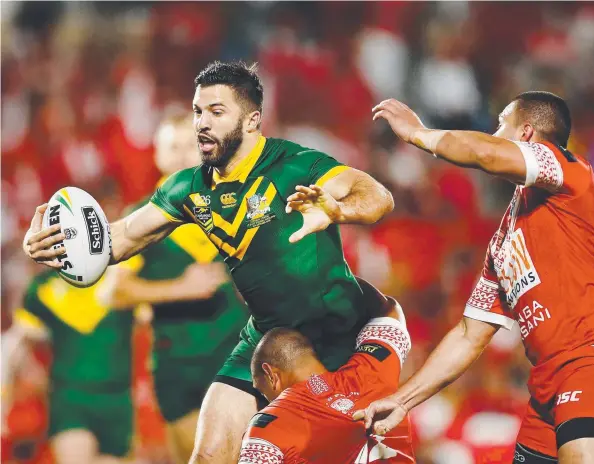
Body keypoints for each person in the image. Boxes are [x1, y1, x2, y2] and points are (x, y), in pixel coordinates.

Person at [23, 60, 395, 464]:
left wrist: (337, 212)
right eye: (199, 111)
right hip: (265, 339)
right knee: (209, 456)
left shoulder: (295, 166)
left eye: (217, 112)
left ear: (252, 120)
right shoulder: (188, 187)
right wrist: (56, 245)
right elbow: (121, 237)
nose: (201, 123)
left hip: (334, 339)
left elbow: (376, 196)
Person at [353, 92, 594, 463]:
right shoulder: (502, 241)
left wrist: (419, 134)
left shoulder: (568, 173)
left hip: (587, 363)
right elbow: (470, 335)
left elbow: (485, 153)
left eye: (502, 123)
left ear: (527, 134)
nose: (494, 131)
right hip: (548, 384)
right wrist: (402, 400)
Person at [100, 112, 249, 464]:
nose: (183, 154)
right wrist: (179, 288)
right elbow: (112, 292)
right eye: (173, 146)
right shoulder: (140, 218)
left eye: (193, 145)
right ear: (158, 156)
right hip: (177, 367)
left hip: (234, 356)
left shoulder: (236, 205)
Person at [239, 280, 415, 464]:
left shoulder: (269, 425)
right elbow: (390, 311)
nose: (265, 402)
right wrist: (329, 274)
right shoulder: (372, 369)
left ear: (271, 374)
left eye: (262, 391)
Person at [2, 270, 134, 464]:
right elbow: (21, 344)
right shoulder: (43, 287)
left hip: (118, 400)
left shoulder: (125, 277)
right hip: (70, 398)